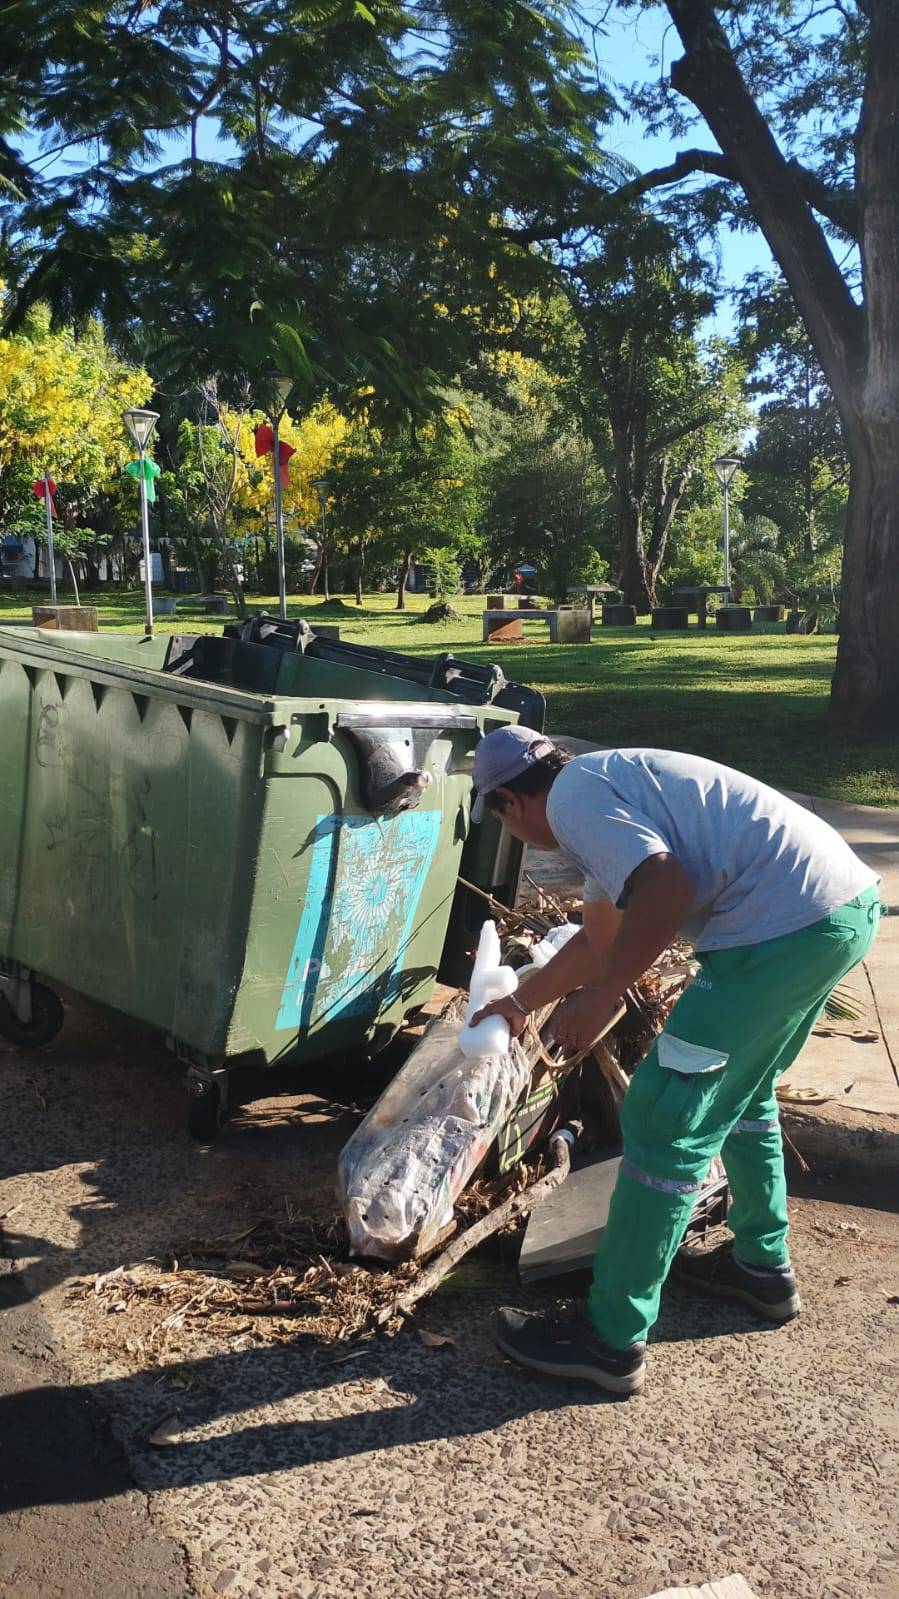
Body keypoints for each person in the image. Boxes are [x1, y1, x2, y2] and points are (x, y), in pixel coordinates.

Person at [470, 726, 881, 1396]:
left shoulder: (575, 800)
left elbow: (663, 886)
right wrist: (520, 1003)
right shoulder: (601, 791)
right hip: (835, 912)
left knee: (664, 1118)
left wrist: (604, 996)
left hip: (781, 929)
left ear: (510, 803)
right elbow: (599, 943)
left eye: (502, 820)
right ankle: (760, 1266)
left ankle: (609, 1338)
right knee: (742, 1092)